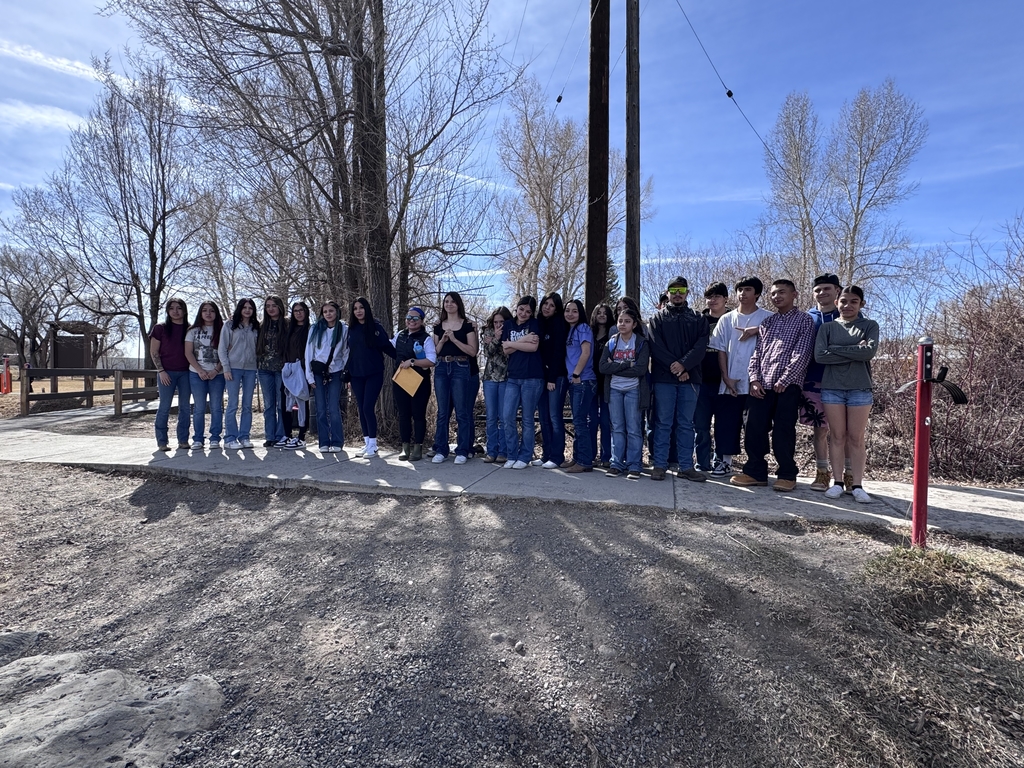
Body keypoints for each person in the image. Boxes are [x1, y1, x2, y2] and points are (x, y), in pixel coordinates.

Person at [731, 279, 816, 492]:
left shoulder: (804, 321)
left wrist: (785, 380)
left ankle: (787, 474)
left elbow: (802, 353)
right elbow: (757, 354)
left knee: (783, 431)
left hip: (787, 387)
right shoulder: (768, 322)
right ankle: (756, 472)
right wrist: (754, 379)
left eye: (782, 293)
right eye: (774, 293)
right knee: (753, 426)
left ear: (794, 294)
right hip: (762, 386)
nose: (777, 297)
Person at [814, 286, 879, 503]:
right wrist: (855, 350)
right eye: (843, 301)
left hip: (860, 388)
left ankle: (857, 485)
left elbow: (869, 352)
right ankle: (838, 483)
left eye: (853, 301)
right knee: (837, 436)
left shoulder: (869, 326)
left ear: (861, 304)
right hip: (832, 388)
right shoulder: (828, 328)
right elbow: (820, 356)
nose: (847, 305)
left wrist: (835, 349)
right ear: (836, 303)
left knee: (856, 438)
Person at [647, 276, 709, 482]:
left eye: (681, 290)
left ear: (687, 292)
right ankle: (659, 465)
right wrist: (676, 367)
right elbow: (656, 347)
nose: (677, 294)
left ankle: (686, 466)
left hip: (691, 379)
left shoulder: (698, 318)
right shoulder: (657, 319)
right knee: (662, 423)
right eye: (673, 290)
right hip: (664, 378)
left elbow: (701, 346)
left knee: (686, 424)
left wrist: (685, 365)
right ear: (667, 293)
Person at [708, 276, 772, 476]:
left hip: (757, 382)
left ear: (758, 294)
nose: (743, 294)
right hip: (730, 381)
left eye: (748, 290)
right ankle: (724, 462)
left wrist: (757, 331)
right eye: (740, 289)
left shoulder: (768, 318)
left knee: (756, 426)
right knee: (726, 423)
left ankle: (756, 465)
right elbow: (720, 350)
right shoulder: (727, 319)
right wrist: (726, 377)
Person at [803, 273, 852, 491]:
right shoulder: (807, 317)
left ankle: (849, 475)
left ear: (837, 291)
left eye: (827, 289)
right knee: (820, 430)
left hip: (843, 382)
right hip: (812, 381)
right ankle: (822, 473)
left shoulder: (847, 316)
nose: (822, 293)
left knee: (845, 432)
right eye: (818, 289)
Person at [599, 308, 650, 479]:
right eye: (620, 321)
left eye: (627, 321)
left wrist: (615, 366)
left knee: (634, 429)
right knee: (617, 428)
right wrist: (627, 365)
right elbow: (602, 367)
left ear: (634, 324)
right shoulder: (611, 343)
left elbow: (641, 369)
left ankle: (634, 465)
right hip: (614, 390)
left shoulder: (641, 343)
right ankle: (616, 464)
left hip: (633, 390)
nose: (623, 324)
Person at [431, 292, 478, 464]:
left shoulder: (467, 325)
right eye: (446, 301)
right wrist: (443, 340)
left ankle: (462, 450)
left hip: (461, 367)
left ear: (458, 304)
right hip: (442, 367)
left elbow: (473, 351)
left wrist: (454, 340)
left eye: (452, 301)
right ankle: (441, 449)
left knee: (462, 412)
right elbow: (434, 352)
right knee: (443, 411)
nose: (449, 304)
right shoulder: (437, 325)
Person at [348, 296, 397, 458]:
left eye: (361, 308)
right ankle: (367, 442)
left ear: (366, 309)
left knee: (368, 407)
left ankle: (374, 445)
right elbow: (349, 353)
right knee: (361, 408)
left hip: (374, 373)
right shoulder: (351, 329)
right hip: (356, 374)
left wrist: (403, 359)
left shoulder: (375, 327)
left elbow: (387, 347)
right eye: (355, 309)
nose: (358, 311)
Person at [501, 296, 544, 469]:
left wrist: (513, 343)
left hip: (532, 377)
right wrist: (522, 340)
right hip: (513, 377)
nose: (524, 313)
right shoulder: (509, 325)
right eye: (521, 309)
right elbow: (505, 349)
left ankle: (525, 456)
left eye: (528, 311)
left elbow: (533, 347)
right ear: (516, 308)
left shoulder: (534, 324)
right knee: (507, 416)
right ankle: (512, 454)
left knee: (527, 418)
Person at [392, 306, 436, 461]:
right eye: (408, 317)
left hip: (420, 382)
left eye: (415, 318)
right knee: (403, 414)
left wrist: (412, 362)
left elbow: (431, 360)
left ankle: (418, 447)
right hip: (400, 381)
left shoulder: (426, 338)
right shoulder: (400, 335)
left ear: (422, 321)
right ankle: (405, 448)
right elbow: (389, 346)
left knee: (418, 415)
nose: (411, 321)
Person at [305, 301, 349, 453]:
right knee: (321, 408)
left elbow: (345, 352)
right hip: (317, 371)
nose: (328, 314)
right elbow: (308, 353)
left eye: (331, 311)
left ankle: (337, 441)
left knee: (333, 407)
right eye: (325, 311)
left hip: (335, 371)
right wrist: (309, 376)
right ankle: (324, 441)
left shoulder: (343, 329)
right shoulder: (315, 329)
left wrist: (344, 370)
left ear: (337, 312)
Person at [694, 283, 728, 472]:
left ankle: (721, 462)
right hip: (702, 381)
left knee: (723, 426)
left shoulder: (733, 319)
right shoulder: (699, 321)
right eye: (709, 296)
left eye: (717, 296)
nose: (712, 300)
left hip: (727, 382)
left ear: (725, 299)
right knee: (701, 426)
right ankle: (702, 462)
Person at [150, 297, 191, 451]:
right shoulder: (160, 328)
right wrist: (161, 371)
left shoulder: (190, 328)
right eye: (172, 308)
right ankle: (162, 441)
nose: (175, 311)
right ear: (167, 311)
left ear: (184, 310)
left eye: (179, 308)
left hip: (186, 373)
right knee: (164, 406)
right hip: (166, 373)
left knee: (185, 407)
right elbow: (154, 351)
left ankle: (183, 440)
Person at [184, 301, 226, 450]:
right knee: (199, 407)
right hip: (196, 374)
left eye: (212, 311)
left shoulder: (222, 330)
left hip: (218, 374)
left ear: (216, 313)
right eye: (205, 310)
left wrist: (216, 370)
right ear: (200, 313)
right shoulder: (192, 331)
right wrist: (200, 370)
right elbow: (188, 352)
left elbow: (227, 351)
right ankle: (198, 438)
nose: (208, 313)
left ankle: (215, 438)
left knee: (216, 407)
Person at [219, 299, 259, 450]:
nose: (247, 310)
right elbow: (222, 348)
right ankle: (230, 438)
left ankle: (244, 436)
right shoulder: (229, 325)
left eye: (250, 308)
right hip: (233, 369)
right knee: (233, 404)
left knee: (247, 405)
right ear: (239, 309)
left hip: (250, 369)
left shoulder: (256, 327)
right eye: (244, 307)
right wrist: (226, 368)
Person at [563, 299, 597, 473]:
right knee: (578, 422)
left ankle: (584, 461)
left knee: (580, 422)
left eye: (574, 311)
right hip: (575, 381)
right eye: (567, 310)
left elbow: (586, 353)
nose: (570, 314)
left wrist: (576, 374)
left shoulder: (583, 328)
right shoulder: (571, 330)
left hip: (583, 380)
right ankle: (577, 458)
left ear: (580, 313)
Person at [537, 292, 569, 468]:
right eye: (545, 304)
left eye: (551, 305)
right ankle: (546, 454)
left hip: (556, 377)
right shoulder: (539, 323)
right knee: (543, 417)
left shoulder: (559, 324)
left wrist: (552, 378)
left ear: (556, 309)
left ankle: (557, 457)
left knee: (555, 417)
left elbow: (559, 352)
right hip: (540, 378)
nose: (546, 307)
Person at [480, 307, 512, 464]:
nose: (498, 325)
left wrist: (498, 340)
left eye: (501, 322)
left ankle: (503, 451)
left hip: (506, 378)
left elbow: (508, 352)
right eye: (496, 322)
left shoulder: (512, 331)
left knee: (504, 417)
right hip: (490, 378)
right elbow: (487, 353)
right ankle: (491, 450)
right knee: (491, 417)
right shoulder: (488, 332)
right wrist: (496, 338)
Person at [257, 296, 289, 448]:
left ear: (280, 307)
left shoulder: (287, 324)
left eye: (274, 305)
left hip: (282, 370)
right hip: (264, 370)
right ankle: (270, 436)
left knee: (281, 404)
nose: (271, 309)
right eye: (268, 306)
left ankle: (281, 435)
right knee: (269, 405)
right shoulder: (261, 325)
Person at [281, 302, 312, 449]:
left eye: (301, 310)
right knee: (286, 402)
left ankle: (301, 437)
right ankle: (288, 435)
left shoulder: (310, 330)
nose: (298, 313)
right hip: (288, 369)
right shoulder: (290, 329)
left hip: (303, 370)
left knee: (302, 402)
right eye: (295, 311)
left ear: (306, 312)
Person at [588, 303, 615, 468]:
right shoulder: (589, 334)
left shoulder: (613, 335)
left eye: (605, 313)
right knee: (591, 420)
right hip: (590, 380)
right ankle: (590, 455)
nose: (602, 315)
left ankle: (606, 457)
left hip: (608, 382)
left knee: (606, 421)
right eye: (599, 312)